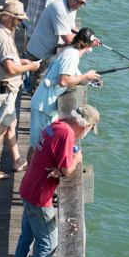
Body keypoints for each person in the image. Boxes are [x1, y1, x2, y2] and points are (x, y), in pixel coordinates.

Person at [8, 105, 100, 257]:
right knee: (49, 243)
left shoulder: (58, 124)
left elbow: (57, 161)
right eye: (91, 129)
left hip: (28, 187)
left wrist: (63, 165)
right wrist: (76, 159)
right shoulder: (67, 134)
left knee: (27, 238)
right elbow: (67, 169)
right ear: (86, 127)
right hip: (40, 196)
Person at [0, 0, 41, 179]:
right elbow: (10, 69)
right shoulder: (2, 37)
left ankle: (16, 160)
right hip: (3, 91)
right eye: (18, 20)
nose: (20, 23)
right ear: (10, 18)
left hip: (1, 88)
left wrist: (20, 61)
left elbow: (6, 61)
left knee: (11, 124)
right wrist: (29, 68)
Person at [26, 28, 101, 165]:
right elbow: (64, 81)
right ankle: (32, 174)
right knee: (38, 146)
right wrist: (86, 76)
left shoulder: (69, 51)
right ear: (89, 46)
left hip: (44, 103)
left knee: (37, 144)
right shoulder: (71, 56)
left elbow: (75, 77)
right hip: (44, 106)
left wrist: (91, 80)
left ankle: (31, 174)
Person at [25, 0, 99, 94]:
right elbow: (68, 39)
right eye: (76, 0)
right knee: (38, 91)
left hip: (49, 53)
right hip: (39, 54)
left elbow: (72, 28)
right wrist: (87, 43)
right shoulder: (60, 10)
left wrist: (88, 38)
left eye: (81, 3)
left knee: (45, 88)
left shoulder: (70, 7)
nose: (77, 5)